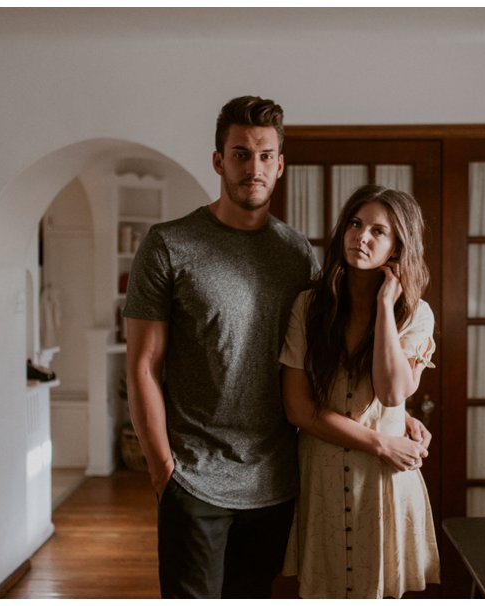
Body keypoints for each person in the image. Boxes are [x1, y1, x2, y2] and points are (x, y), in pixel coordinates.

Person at [122, 95, 319, 598]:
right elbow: (143, 366)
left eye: (265, 155)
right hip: (193, 482)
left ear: (279, 164)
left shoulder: (296, 253)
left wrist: (392, 412)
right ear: (218, 160)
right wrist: (163, 470)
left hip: (275, 483)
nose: (254, 167)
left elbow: (323, 359)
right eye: (240, 154)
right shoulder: (169, 244)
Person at [281, 184, 441, 598]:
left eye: (378, 231)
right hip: (322, 474)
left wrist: (386, 306)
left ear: (397, 247)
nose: (361, 237)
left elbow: (391, 393)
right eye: (355, 223)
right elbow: (298, 409)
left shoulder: (416, 314)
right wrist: (381, 443)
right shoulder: (308, 307)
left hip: (383, 485)